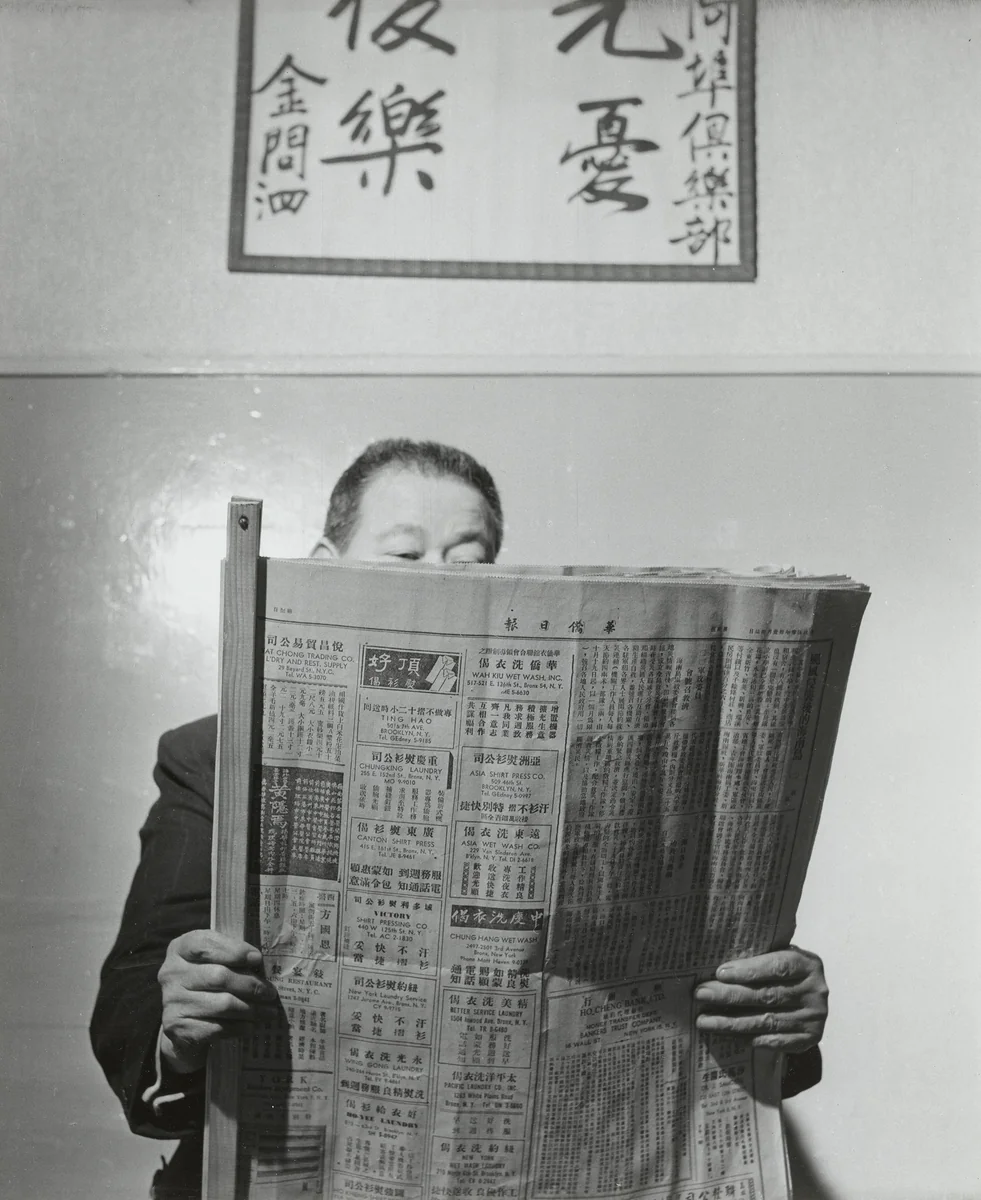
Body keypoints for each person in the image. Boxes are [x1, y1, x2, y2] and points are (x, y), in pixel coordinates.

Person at [91, 439, 828, 1199]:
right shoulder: (212, 754)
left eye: (467, 562)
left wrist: (780, 1014)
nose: (438, 580)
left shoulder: (583, 766)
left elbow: (677, 966)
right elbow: (129, 1003)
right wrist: (176, 1019)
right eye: (404, 556)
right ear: (326, 564)